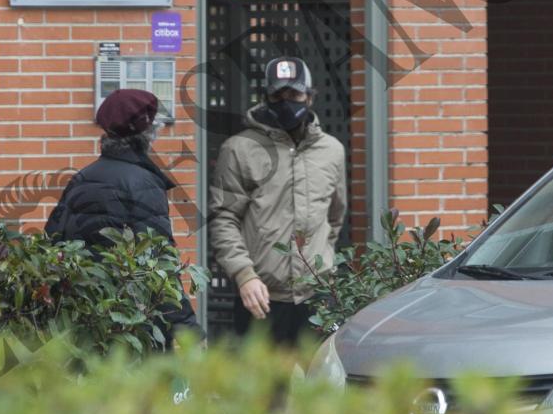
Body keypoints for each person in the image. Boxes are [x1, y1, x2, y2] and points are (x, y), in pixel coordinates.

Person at [44, 88, 202, 347]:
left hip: (83, 323)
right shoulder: (143, 184)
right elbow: (159, 262)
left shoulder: (82, 178)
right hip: (133, 326)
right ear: (147, 134)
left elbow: (53, 242)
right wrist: (186, 328)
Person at [209, 56, 347, 345]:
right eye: (278, 94)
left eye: (294, 94)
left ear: (309, 97)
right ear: (266, 98)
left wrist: (322, 259)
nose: (287, 101)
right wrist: (244, 275)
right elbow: (224, 219)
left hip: (318, 298)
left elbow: (334, 217)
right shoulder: (239, 149)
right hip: (261, 298)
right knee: (265, 391)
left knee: (324, 387)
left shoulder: (332, 150)